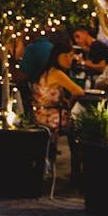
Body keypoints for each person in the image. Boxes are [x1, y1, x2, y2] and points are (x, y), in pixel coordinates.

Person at [32, 41, 85, 183]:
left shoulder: (45, 71)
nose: (70, 59)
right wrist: (70, 103)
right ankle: (77, 172)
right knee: (80, 128)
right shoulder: (57, 73)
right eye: (66, 56)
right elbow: (79, 91)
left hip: (39, 114)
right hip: (51, 117)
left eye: (71, 56)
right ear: (57, 56)